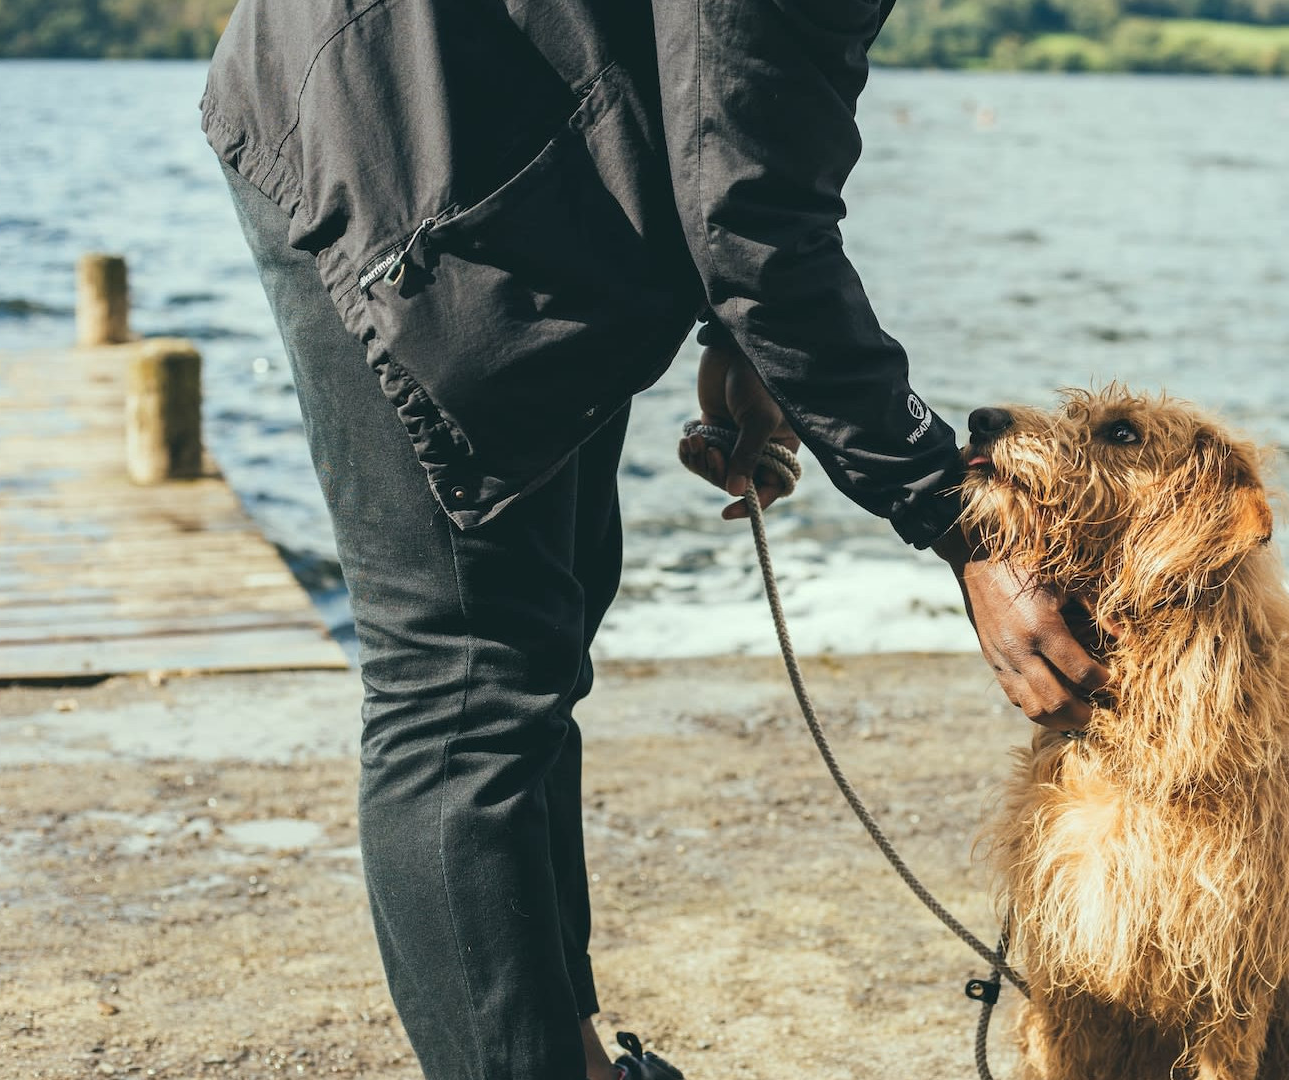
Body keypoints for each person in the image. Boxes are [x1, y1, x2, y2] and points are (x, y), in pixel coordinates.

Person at [203, 2, 1107, 1077]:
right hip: (395, 133)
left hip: (513, 142)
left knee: (541, 637)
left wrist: (738, 330)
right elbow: (752, 207)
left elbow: (746, 116)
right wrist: (955, 520)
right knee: (463, 684)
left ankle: (573, 1052)